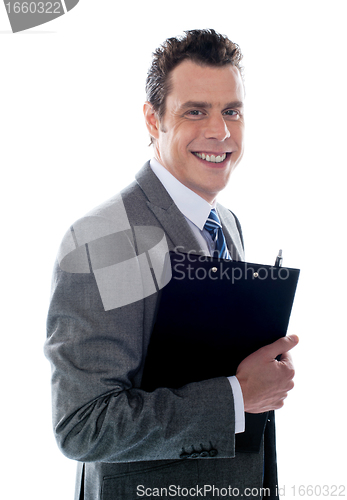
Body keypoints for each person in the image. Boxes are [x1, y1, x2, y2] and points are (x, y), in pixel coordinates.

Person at [45, 29, 298, 500]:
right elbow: (83, 426)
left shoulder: (226, 222)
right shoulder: (101, 238)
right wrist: (238, 397)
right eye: (195, 111)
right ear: (152, 119)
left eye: (232, 111)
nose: (219, 132)